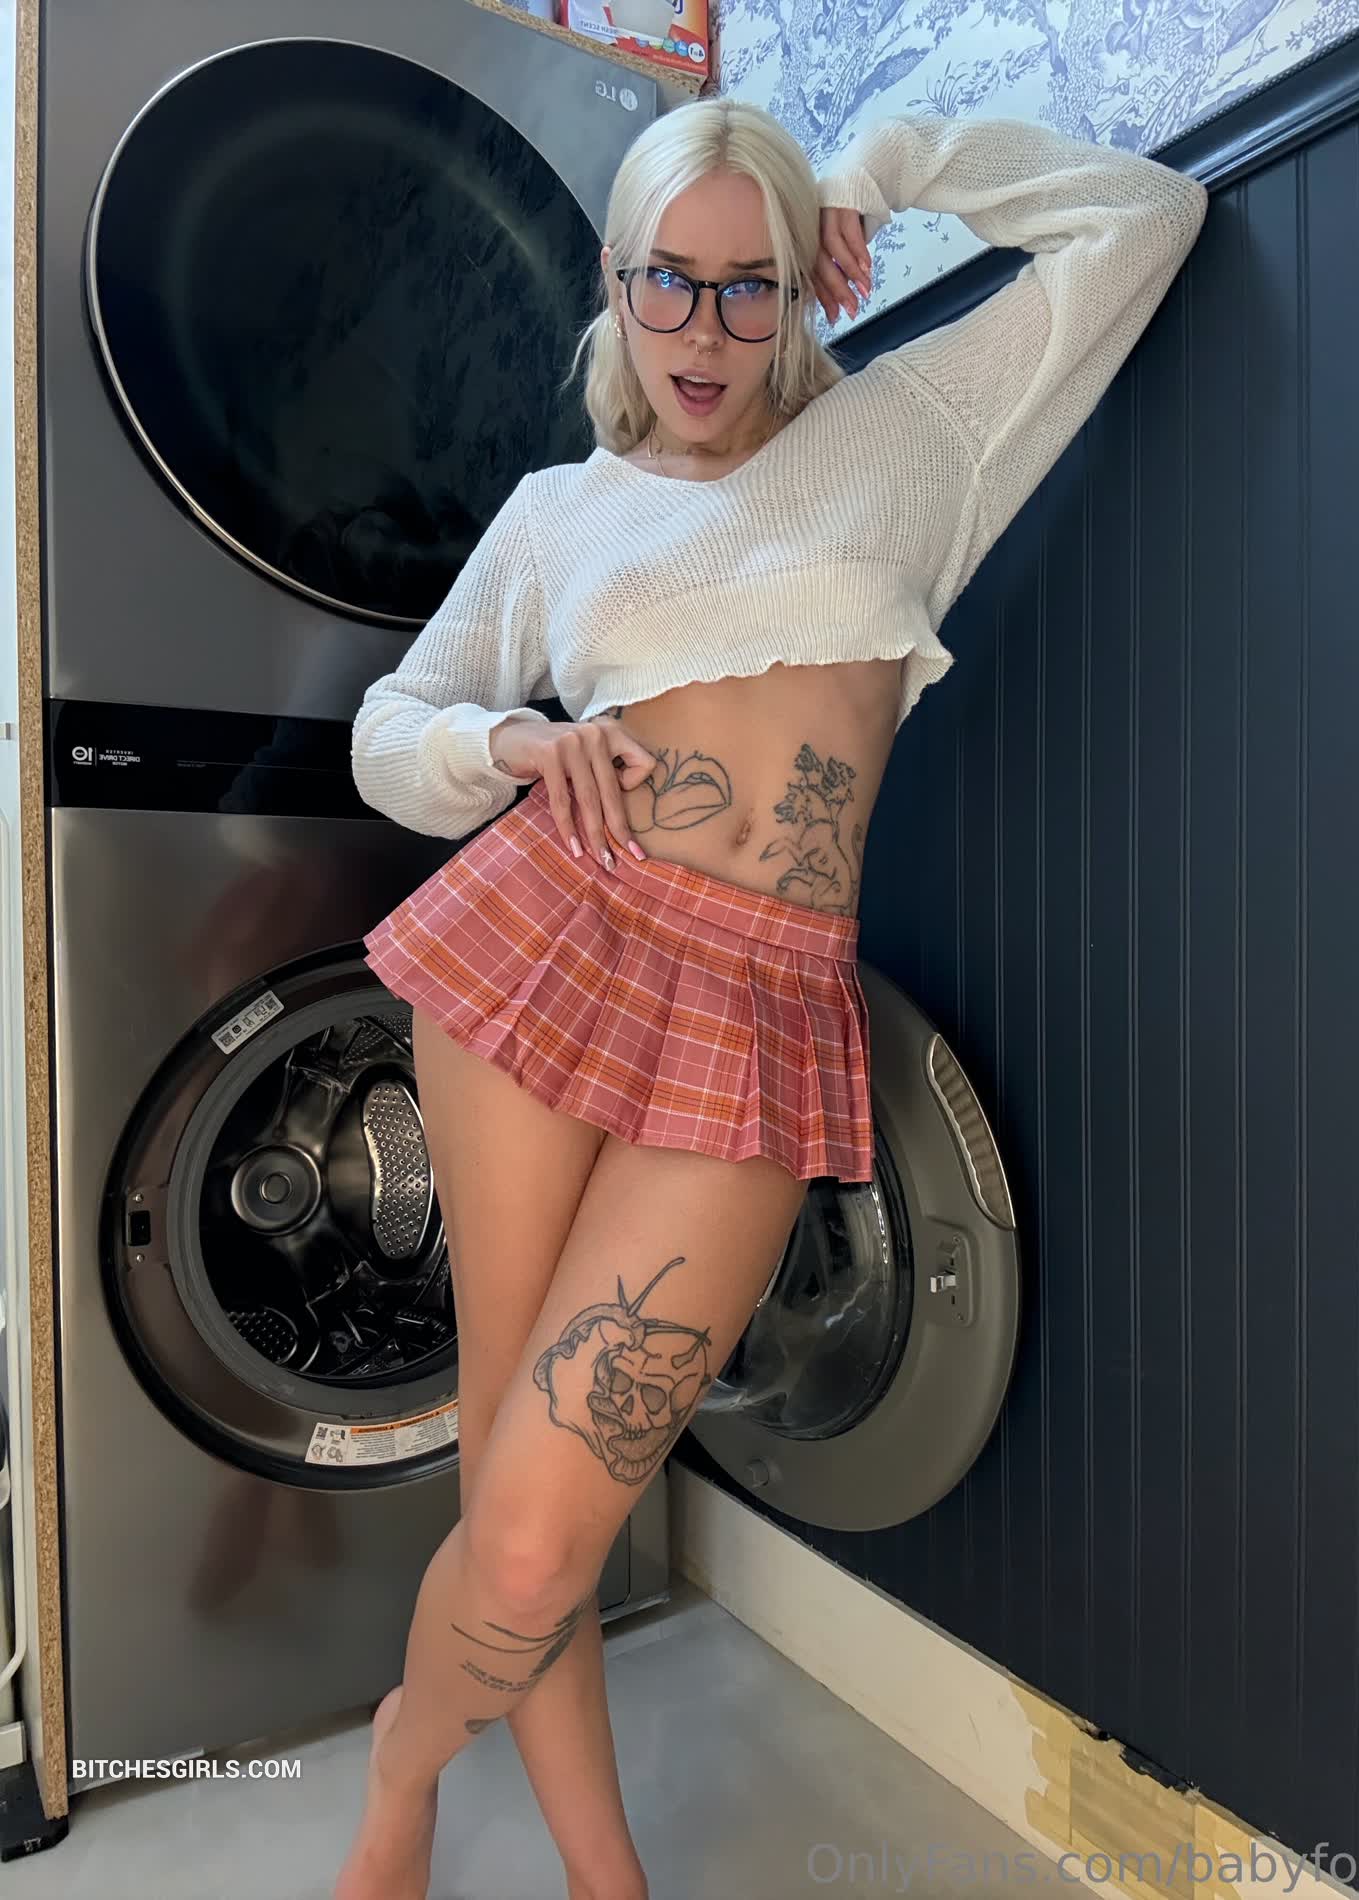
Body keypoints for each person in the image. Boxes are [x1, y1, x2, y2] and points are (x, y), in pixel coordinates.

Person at [336, 96, 1208, 1900]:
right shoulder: (559, 514)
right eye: (672, 281)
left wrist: (882, 168)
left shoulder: (917, 435)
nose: (708, 331)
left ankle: (401, 1749)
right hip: (547, 942)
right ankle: (588, 1876)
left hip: (756, 1008)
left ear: (804, 287)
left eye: (754, 286)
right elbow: (388, 734)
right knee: (511, 1475)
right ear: (616, 280)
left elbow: (1145, 220)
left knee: (538, 1528)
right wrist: (510, 744)